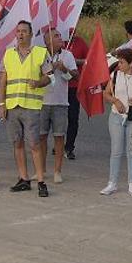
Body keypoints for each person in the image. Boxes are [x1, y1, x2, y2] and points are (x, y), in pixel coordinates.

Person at [0, 20, 51, 196]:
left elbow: (49, 77)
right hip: (12, 105)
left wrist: (38, 82)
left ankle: (41, 182)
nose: (20, 34)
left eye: (24, 31)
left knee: (34, 144)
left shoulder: (40, 53)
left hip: (31, 106)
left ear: (31, 34)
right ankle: (24, 178)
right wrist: (1, 104)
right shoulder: (8, 54)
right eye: (18, 31)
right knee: (17, 142)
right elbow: (2, 81)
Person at [102, 48, 132, 197]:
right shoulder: (115, 75)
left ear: (131, 63)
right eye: (119, 61)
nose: (119, 65)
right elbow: (106, 93)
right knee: (116, 150)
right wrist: (115, 101)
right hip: (116, 117)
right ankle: (112, 183)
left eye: (122, 62)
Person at [40, 29, 77, 184]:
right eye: (56, 36)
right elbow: (36, 75)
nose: (60, 38)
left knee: (59, 137)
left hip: (60, 102)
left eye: (59, 35)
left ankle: (57, 171)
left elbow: (75, 75)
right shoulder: (40, 54)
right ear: (47, 41)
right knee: (41, 137)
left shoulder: (67, 55)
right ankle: (41, 170)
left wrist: (64, 69)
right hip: (42, 102)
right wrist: (50, 68)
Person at [64, 30, 90, 159]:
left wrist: (75, 61)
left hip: (74, 87)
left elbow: (89, 59)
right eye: (69, 32)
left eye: (74, 31)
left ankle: (69, 147)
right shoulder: (57, 41)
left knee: (73, 118)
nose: (72, 34)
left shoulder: (80, 42)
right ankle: (58, 144)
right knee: (57, 119)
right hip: (59, 87)